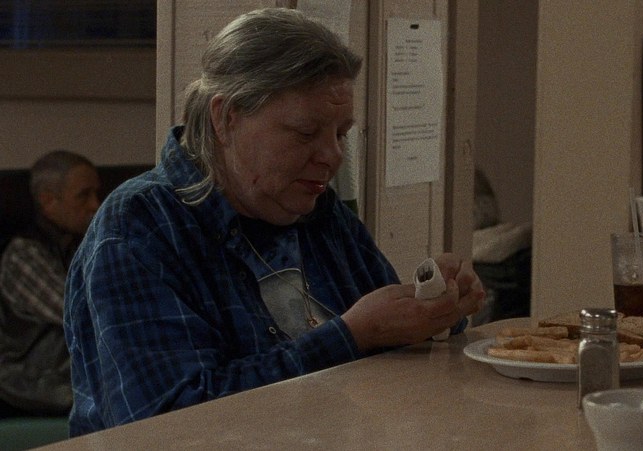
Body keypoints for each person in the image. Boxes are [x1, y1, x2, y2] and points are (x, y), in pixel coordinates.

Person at [64, 7, 485, 436]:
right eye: (305, 133)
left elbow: (388, 342)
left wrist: (435, 308)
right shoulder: (140, 227)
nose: (333, 156)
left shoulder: (319, 212)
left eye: (341, 134)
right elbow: (167, 423)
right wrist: (351, 336)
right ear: (226, 118)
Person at [0, 150, 101, 417]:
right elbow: (82, 312)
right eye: (84, 195)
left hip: (67, 376)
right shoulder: (24, 255)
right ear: (48, 201)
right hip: (32, 380)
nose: (95, 205)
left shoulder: (76, 245)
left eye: (96, 194)